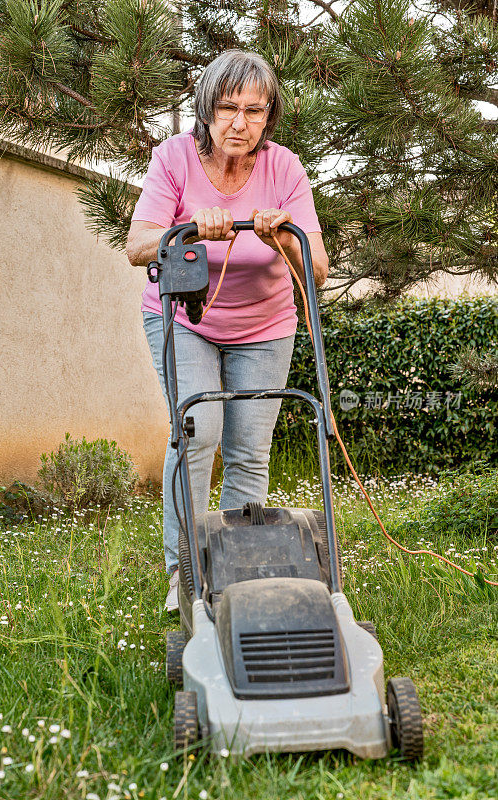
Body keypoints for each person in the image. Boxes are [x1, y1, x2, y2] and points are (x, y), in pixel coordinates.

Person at [126, 49, 329, 611]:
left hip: (265, 325)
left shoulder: (284, 169)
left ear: (270, 117)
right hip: (187, 319)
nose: (240, 123)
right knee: (197, 434)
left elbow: (316, 265)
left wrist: (280, 237)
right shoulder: (173, 159)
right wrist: (191, 228)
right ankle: (185, 573)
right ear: (207, 109)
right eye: (228, 107)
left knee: (248, 451)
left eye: (255, 110)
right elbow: (138, 244)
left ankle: (237, 572)